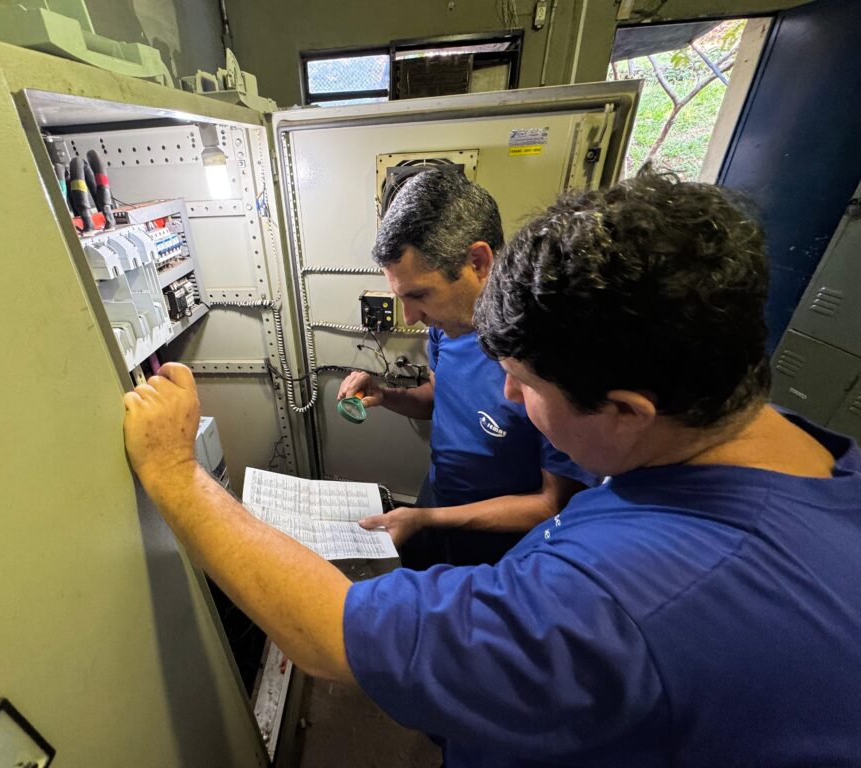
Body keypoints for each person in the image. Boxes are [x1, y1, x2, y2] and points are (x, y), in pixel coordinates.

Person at [123, 168, 861, 766]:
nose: (506, 395)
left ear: (627, 411)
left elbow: (325, 635)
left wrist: (175, 472)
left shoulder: (606, 596)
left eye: (528, 387)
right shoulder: (812, 457)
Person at [337, 170, 594, 566]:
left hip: (496, 545)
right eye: (402, 297)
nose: (412, 316)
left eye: (420, 295)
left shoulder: (548, 359)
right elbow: (440, 400)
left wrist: (427, 519)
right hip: (435, 500)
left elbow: (551, 504)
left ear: (478, 262)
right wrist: (386, 396)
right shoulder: (447, 327)